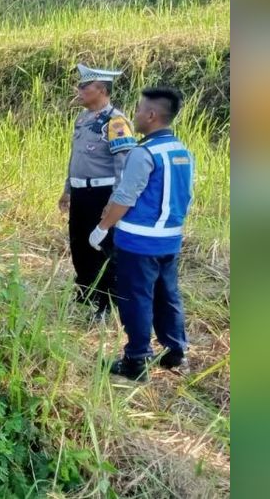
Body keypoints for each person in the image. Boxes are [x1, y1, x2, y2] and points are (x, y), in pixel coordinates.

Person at [90, 87, 193, 381]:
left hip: (139, 241)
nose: (134, 116)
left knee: (136, 298)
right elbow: (186, 196)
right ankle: (175, 352)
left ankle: (136, 359)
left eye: (138, 110)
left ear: (151, 115)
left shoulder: (143, 152)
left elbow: (125, 197)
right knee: (168, 294)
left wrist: (102, 228)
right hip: (170, 239)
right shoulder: (181, 151)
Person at [59, 64, 136, 322]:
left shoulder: (115, 121)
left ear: (101, 90)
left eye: (84, 87)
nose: (79, 91)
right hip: (81, 193)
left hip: (102, 194)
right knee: (79, 245)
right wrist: (67, 189)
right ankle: (85, 295)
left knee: (103, 248)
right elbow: (75, 158)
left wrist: (115, 200)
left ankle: (106, 304)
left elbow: (124, 165)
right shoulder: (83, 119)